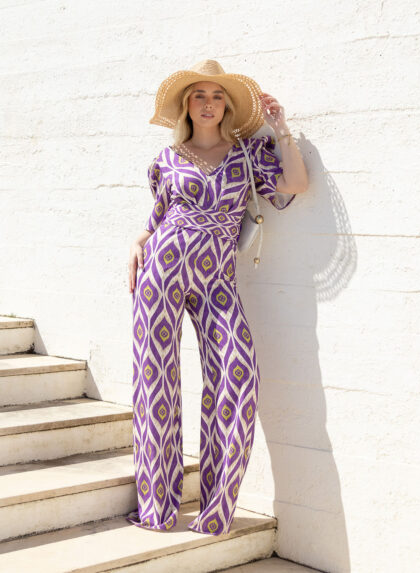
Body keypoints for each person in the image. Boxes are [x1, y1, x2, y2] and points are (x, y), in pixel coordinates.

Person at [126, 59, 308, 536]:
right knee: (155, 383)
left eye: (217, 96)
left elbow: (295, 184)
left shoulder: (248, 154)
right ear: (187, 105)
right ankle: (157, 507)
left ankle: (215, 509)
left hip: (217, 282)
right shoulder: (166, 159)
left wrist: (280, 127)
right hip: (160, 272)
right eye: (199, 95)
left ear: (227, 106)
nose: (208, 104)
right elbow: (159, 213)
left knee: (237, 377)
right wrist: (139, 241)